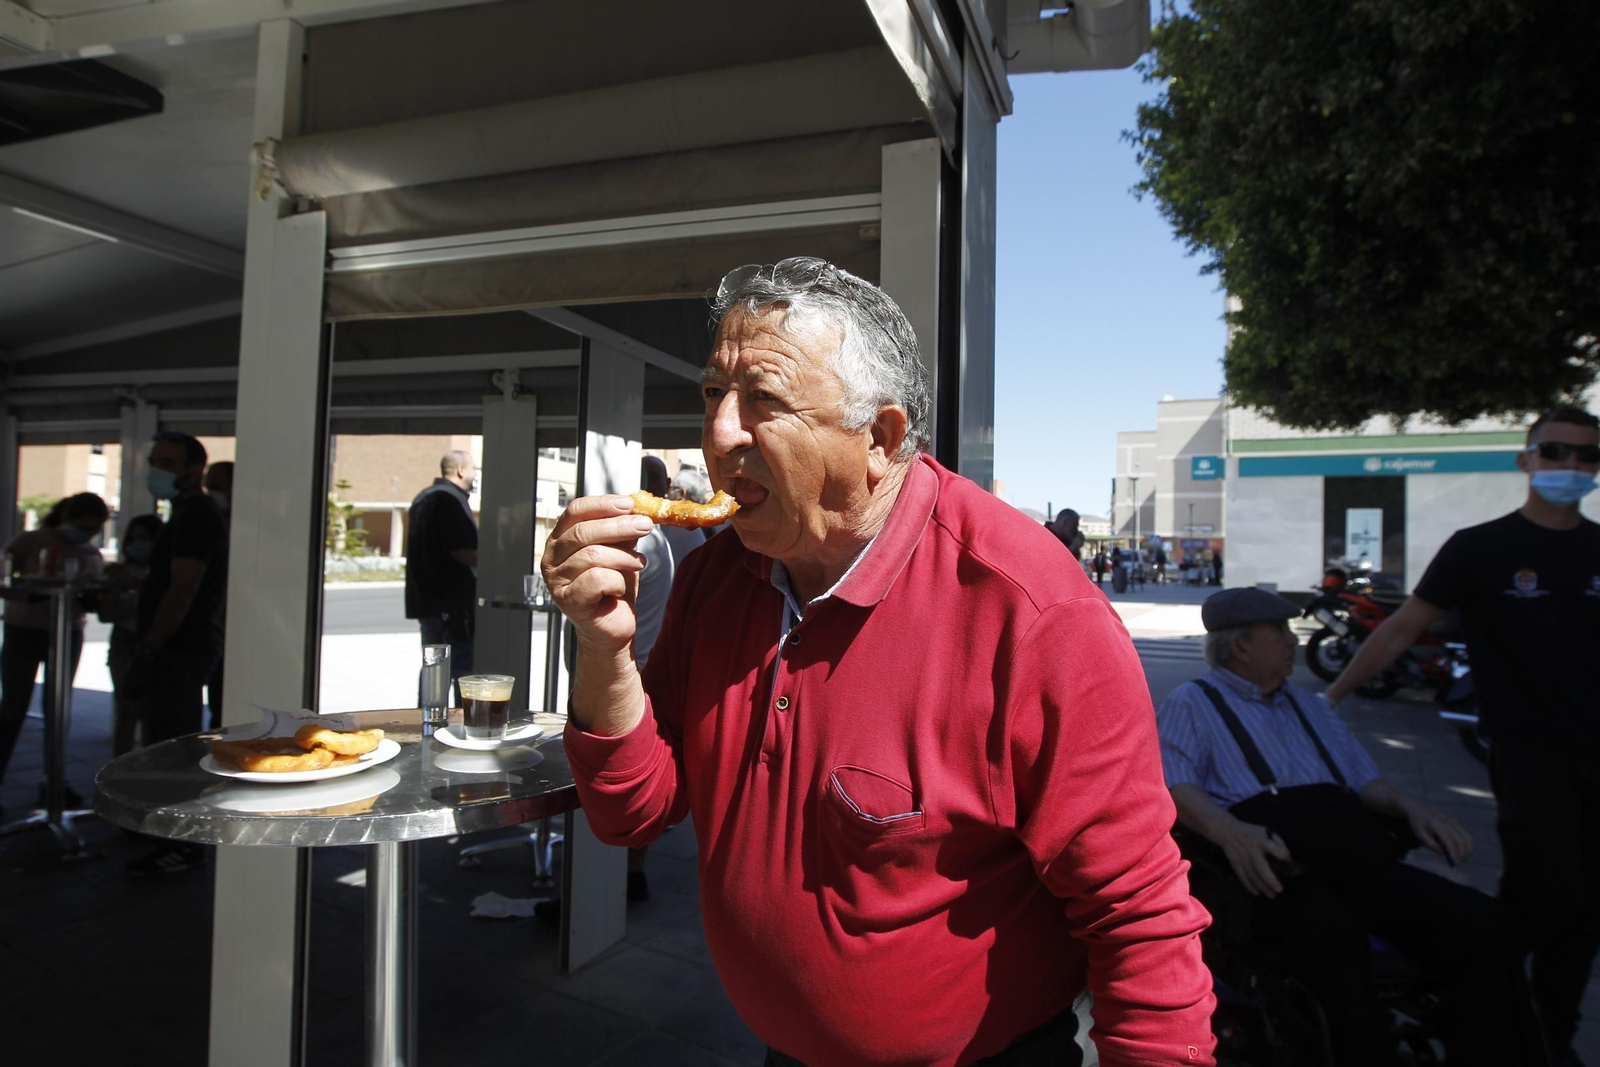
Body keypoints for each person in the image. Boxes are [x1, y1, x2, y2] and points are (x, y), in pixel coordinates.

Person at [542, 257, 1215, 1067]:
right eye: (712, 394)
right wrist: (604, 646)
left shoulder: (1031, 612)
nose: (719, 434)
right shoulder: (720, 573)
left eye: (764, 399)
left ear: (881, 439)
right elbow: (634, 814)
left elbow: (1138, 914)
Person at [1157, 587, 1542, 1065]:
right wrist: (1230, 831)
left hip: (1354, 859)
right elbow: (1176, 784)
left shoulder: (1311, 706)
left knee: (1485, 925)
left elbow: (1364, 782)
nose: (1292, 642)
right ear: (1240, 646)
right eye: (1279, 632)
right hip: (1277, 873)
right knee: (1334, 947)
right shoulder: (1193, 703)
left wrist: (1412, 808)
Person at [1328, 404, 1600, 1064]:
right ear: (1526, 459)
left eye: (1585, 457)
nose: (1570, 466)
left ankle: (1540, 1027)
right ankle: (1503, 1015)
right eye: (1556, 451)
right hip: (1529, 751)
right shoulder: (1481, 548)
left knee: (1583, 904)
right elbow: (1397, 629)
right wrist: (1326, 699)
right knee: (1545, 892)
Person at [124, 431, 229, 875]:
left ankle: (184, 843)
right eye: (154, 461)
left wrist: (152, 643)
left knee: (174, 753)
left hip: (180, 651)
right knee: (168, 746)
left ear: (193, 469)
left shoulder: (195, 517)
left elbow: (183, 588)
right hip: (178, 648)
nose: (156, 470)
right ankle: (172, 834)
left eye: (166, 462)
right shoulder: (184, 513)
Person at [0, 492, 108, 810]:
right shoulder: (30, 541)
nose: (86, 534)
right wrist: (28, 594)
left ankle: (54, 780)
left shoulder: (90, 552)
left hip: (67, 632)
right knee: (12, 707)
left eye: (92, 529)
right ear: (66, 517)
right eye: (82, 526)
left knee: (58, 709)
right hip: (24, 629)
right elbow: (5, 579)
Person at [404, 450, 478, 687]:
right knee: (462, 670)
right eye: (474, 469)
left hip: (426, 601)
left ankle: (427, 720)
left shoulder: (423, 498)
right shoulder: (450, 500)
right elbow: (462, 551)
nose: (475, 475)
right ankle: (461, 722)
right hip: (452, 605)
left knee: (434, 671)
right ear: (461, 470)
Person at [100, 513, 164, 758]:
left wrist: (139, 588)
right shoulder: (119, 572)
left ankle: (151, 770)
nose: (138, 543)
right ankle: (120, 768)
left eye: (145, 538)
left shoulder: (165, 573)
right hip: (125, 642)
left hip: (158, 643)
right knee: (126, 711)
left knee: (154, 715)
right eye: (134, 538)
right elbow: (106, 613)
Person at [202, 460, 233, 728]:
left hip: (235, 637)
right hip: (212, 634)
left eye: (217, 487)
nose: (211, 494)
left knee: (227, 709)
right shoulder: (208, 525)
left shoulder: (251, 532)